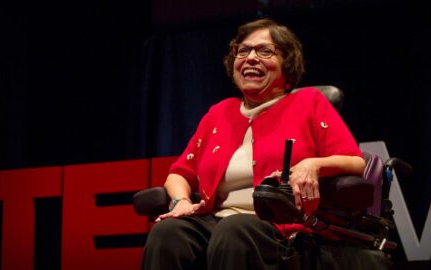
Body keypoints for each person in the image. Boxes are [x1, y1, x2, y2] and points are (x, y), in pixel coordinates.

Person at [141, 18, 389, 270]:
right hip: (215, 221)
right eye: (243, 50)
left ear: (287, 63)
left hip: (284, 228)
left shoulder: (308, 103)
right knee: (168, 234)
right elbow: (180, 173)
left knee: (234, 231)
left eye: (265, 51)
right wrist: (180, 201)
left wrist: (312, 164)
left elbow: (355, 162)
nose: (250, 58)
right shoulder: (219, 113)